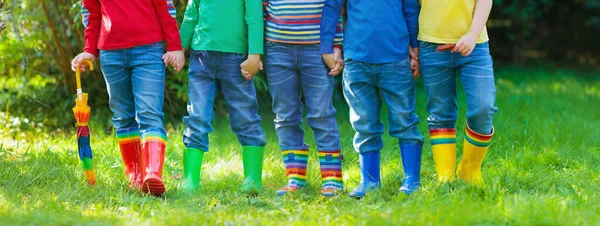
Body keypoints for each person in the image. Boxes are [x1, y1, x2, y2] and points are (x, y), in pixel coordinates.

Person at [72, 0, 185, 196]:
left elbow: (164, 8)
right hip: (110, 54)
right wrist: (90, 50)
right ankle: (136, 178)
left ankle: (152, 175)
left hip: (148, 51)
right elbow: (92, 13)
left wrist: (175, 46)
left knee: (150, 113)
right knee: (123, 116)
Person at [321, 0, 424, 198]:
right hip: (357, 60)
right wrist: (327, 47)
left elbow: (411, 9)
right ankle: (369, 181)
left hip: (396, 58)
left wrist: (415, 47)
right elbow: (332, 8)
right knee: (364, 123)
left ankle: (412, 179)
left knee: (405, 120)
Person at [178, 0, 267, 194]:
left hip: (236, 59)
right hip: (201, 57)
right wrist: (179, 46)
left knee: (245, 116)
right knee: (197, 116)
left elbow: (254, 17)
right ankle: (190, 180)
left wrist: (254, 54)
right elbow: (192, 13)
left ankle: (252, 179)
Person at [262, 0, 345, 197]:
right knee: (285, 114)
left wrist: (336, 46)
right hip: (277, 49)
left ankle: (332, 178)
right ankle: (295, 177)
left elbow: (334, 11)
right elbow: (261, 12)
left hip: (317, 49)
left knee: (321, 113)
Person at [418, 0, 497, 185]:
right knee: (440, 113)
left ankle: (469, 170)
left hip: (475, 45)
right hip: (431, 47)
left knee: (483, 108)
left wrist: (472, 33)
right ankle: (445, 177)